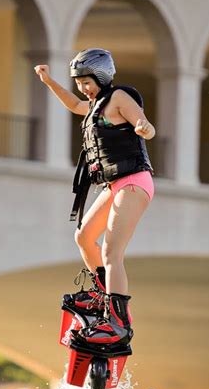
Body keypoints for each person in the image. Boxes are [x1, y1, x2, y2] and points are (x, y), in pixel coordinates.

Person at [34, 48, 155, 346]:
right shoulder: (94, 105)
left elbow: (144, 124)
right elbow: (74, 103)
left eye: (87, 82)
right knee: (84, 237)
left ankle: (118, 323)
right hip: (113, 185)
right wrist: (49, 81)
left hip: (134, 182)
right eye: (79, 82)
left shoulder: (119, 98)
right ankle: (105, 295)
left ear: (101, 76)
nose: (83, 88)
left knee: (113, 252)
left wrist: (145, 128)